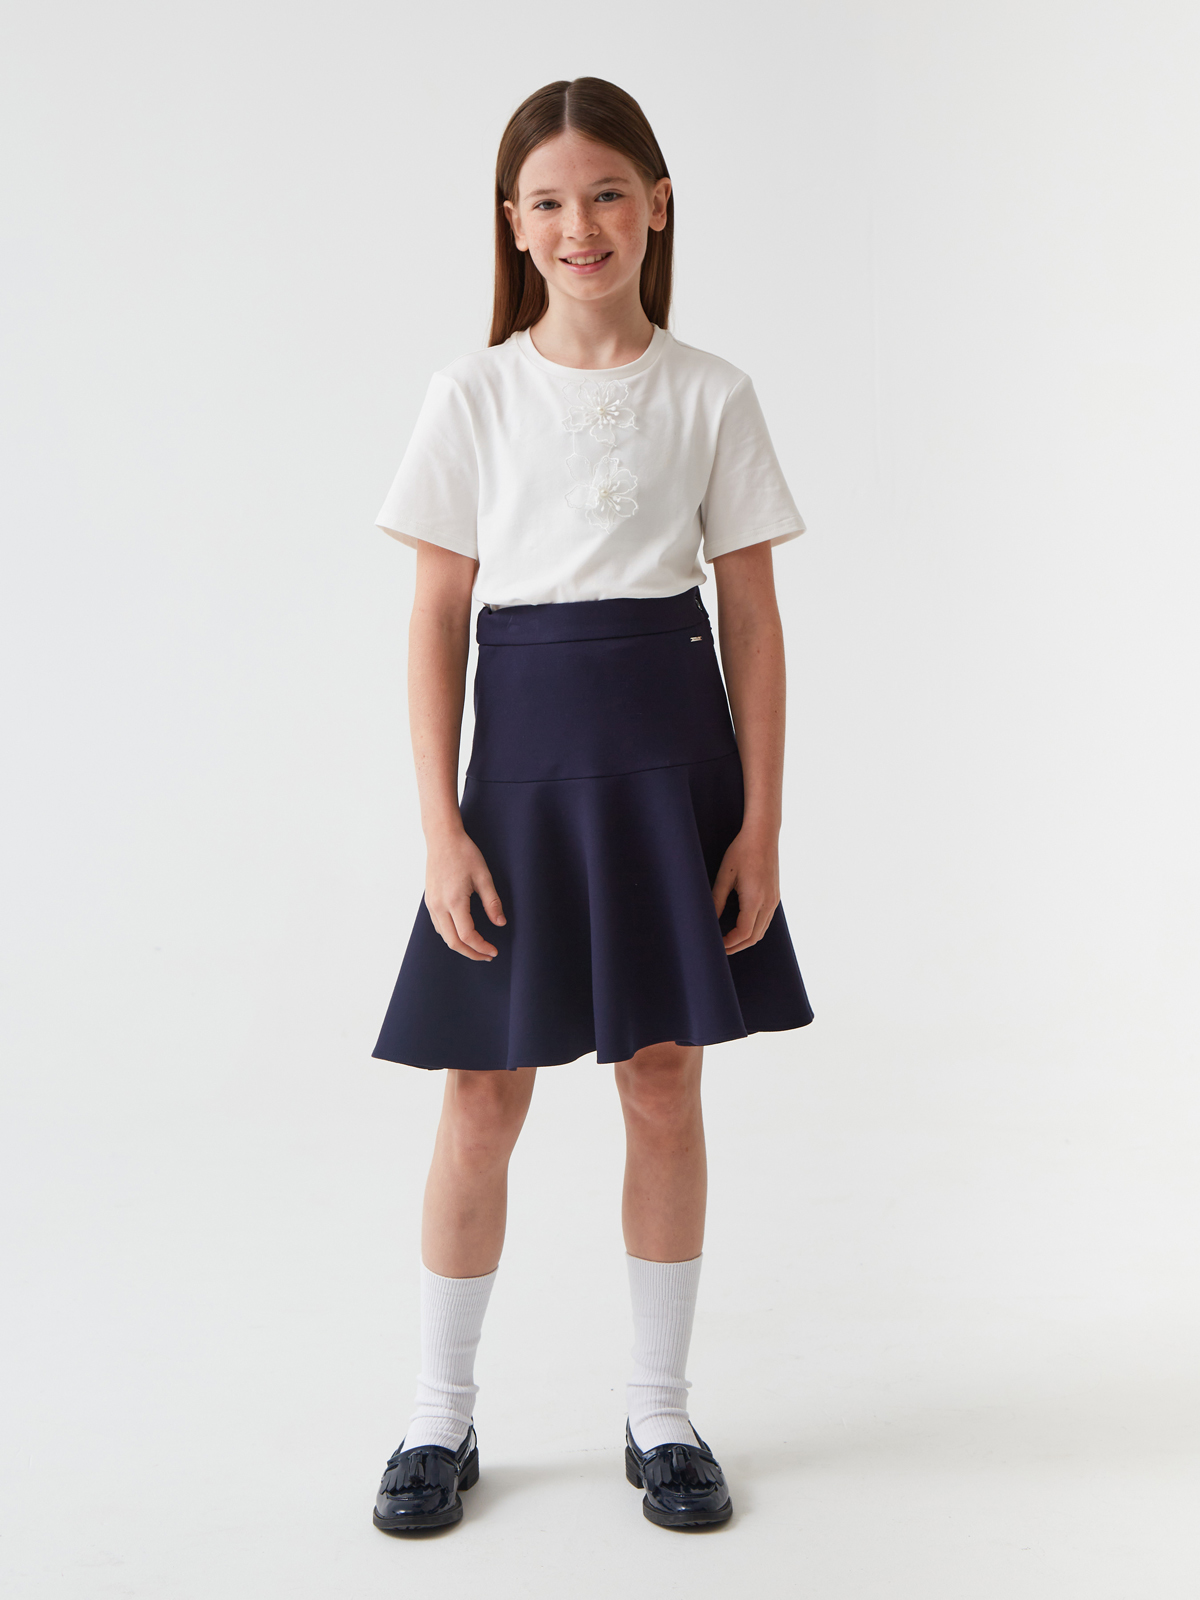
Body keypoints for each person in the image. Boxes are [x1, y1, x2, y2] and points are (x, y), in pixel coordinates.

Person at [369, 76, 813, 1534]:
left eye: (609, 194)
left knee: (665, 1081)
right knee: (481, 1094)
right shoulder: (474, 395)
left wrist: (759, 825)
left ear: (658, 205)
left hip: (673, 770)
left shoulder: (711, 393)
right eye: (550, 202)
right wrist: (440, 828)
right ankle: (438, 1416)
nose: (582, 226)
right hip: (521, 785)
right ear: (513, 224)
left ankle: (660, 1411)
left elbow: (753, 621)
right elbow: (437, 620)